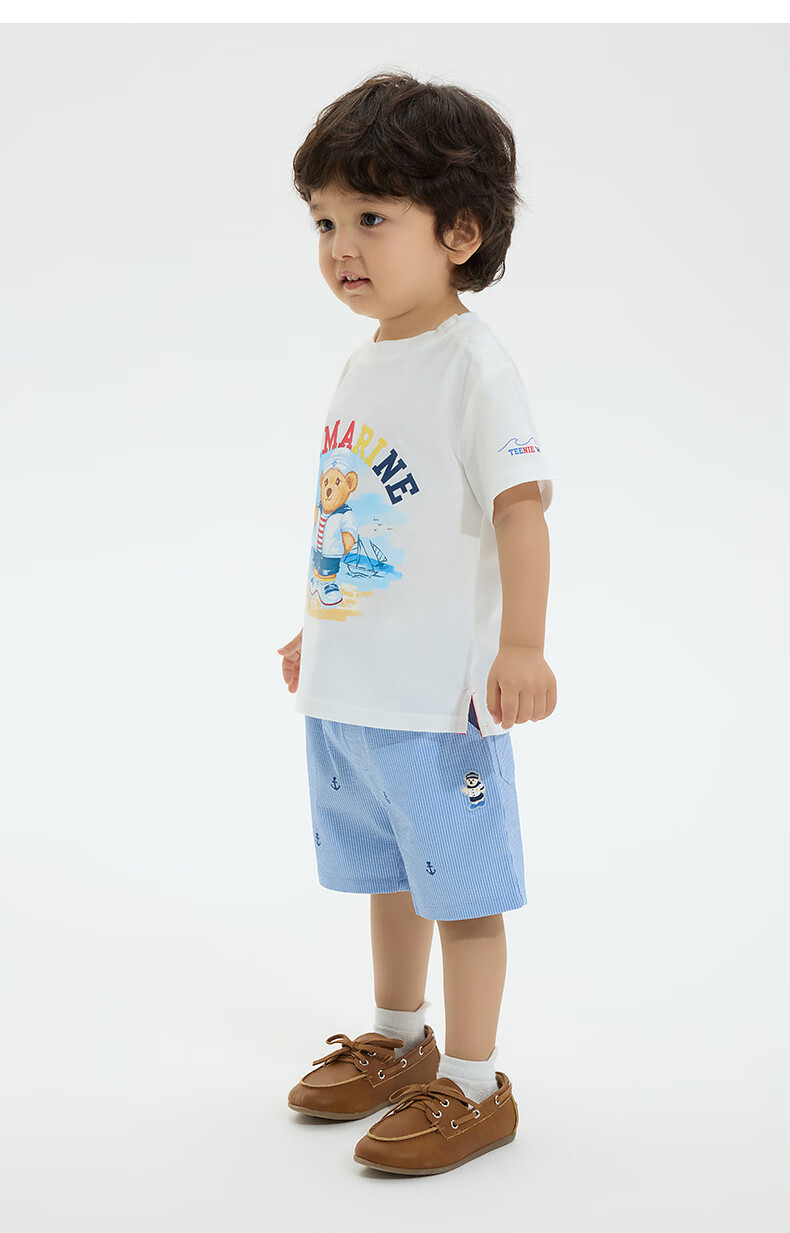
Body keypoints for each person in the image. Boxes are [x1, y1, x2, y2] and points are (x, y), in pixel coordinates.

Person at [277, 71, 557, 1176]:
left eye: (370, 218)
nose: (341, 247)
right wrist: (317, 629)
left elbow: (519, 512)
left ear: (460, 232)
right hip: (352, 695)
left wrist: (523, 644)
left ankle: (476, 1085)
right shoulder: (366, 361)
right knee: (389, 877)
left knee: (462, 894)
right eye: (324, 223)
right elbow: (354, 522)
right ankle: (400, 1038)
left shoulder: (474, 368)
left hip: (439, 704)